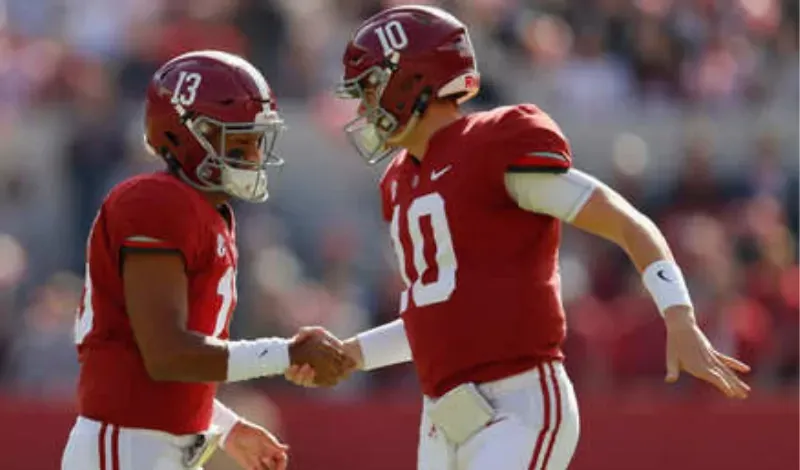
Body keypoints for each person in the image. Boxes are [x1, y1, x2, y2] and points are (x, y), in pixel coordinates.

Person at [285, 5, 751, 470]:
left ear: (412, 81)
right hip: (440, 420)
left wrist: (679, 316)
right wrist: (352, 354)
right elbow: (435, 317)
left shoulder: (493, 144)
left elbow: (628, 222)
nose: (363, 107)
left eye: (370, 89)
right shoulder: (398, 182)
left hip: (520, 403)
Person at [61, 50, 353, 470]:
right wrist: (286, 353)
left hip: (156, 447)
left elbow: (164, 368)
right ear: (185, 136)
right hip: (125, 446)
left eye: (257, 139)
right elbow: (165, 354)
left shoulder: (209, 213)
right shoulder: (155, 201)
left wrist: (224, 425)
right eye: (239, 140)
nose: (254, 154)